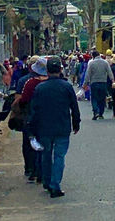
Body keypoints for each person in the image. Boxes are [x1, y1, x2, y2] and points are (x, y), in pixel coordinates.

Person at [29, 55, 80, 199]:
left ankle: (47, 181)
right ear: (60, 70)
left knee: (46, 155)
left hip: (44, 128)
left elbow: (34, 110)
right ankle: (55, 185)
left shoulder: (40, 88)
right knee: (59, 157)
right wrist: (76, 123)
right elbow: (74, 107)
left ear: (47, 70)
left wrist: (31, 130)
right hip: (62, 127)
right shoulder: (66, 86)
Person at [13, 57, 47, 183]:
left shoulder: (25, 81)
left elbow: (20, 99)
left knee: (29, 143)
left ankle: (30, 168)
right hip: (44, 116)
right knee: (43, 143)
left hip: (29, 115)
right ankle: (41, 169)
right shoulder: (48, 81)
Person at [83, 50, 113, 120]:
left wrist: (85, 84)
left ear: (93, 56)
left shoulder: (91, 63)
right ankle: (101, 113)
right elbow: (109, 72)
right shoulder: (105, 62)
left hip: (94, 82)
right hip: (103, 82)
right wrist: (112, 80)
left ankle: (96, 111)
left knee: (94, 98)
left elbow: (88, 74)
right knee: (102, 99)